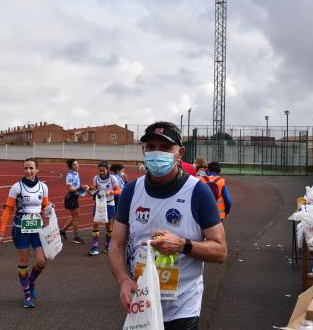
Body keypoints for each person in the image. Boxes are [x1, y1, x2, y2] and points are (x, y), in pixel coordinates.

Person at [108, 122, 227, 330]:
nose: (157, 153)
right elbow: (115, 245)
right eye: (151, 147)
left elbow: (220, 251)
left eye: (165, 148)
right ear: (143, 150)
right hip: (142, 302)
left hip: (182, 307)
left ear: (179, 153)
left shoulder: (198, 192)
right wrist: (123, 280)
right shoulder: (131, 191)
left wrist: (183, 244)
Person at [0, 158, 51, 309]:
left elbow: (45, 205)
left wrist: (49, 210)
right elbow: (7, 209)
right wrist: (1, 231)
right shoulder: (17, 187)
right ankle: (27, 294)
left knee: (42, 260)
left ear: (37, 170)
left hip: (37, 227)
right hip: (21, 227)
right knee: (24, 261)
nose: (28, 171)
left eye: (31, 168)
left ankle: (31, 281)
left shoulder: (43, 187)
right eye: (25, 168)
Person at [88, 161, 121, 256]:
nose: (101, 172)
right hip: (99, 204)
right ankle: (94, 247)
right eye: (100, 170)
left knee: (108, 226)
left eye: (103, 170)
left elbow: (119, 190)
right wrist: (88, 189)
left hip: (109, 204)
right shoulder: (96, 178)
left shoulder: (112, 178)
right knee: (95, 224)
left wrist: (110, 193)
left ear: (107, 170)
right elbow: (93, 192)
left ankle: (107, 246)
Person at [60, 159, 88, 244]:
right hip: (71, 197)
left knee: (75, 217)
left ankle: (63, 231)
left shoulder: (76, 173)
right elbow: (69, 188)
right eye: (74, 165)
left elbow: (75, 186)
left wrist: (81, 187)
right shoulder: (70, 175)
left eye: (77, 164)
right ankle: (75, 237)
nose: (77, 166)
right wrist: (80, 188)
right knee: (76, 217)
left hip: (74, 197)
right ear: (70, 166)